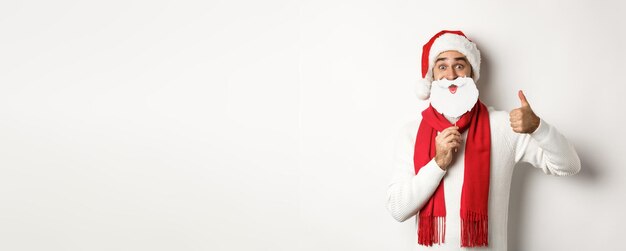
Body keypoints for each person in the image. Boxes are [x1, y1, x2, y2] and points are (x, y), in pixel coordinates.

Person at [385, 30, 581, 250]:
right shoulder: (411, 132)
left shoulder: (503, 126)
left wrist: (538, 127)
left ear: (472, 73)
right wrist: (438, 163)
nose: (451, 75)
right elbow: (397, 209)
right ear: (431, 77)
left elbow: (569, 165)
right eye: (442, 66)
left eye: (459, 65)